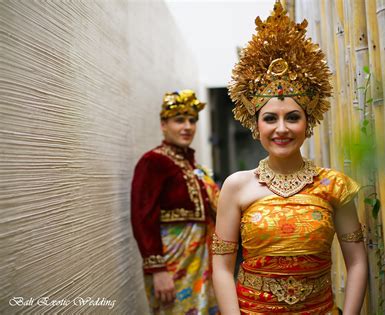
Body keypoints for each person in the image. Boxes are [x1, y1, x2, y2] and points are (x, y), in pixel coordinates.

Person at [212, 2, 368, 315]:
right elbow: (221, 266)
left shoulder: (335, 186)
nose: (281, 129)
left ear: (308, 124)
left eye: (293, 117)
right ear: (256, 125)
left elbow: (358, 262)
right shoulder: (236, 187)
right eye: (270, 118)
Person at [131, 90, 220, 315]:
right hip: (172, 265)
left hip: (204, 262)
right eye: (179, 120)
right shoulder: (153, 161)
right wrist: (158, 269)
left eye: (192, 120)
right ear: (164, 124)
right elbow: (142, 217)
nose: (187, 126)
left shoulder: (193, 165)